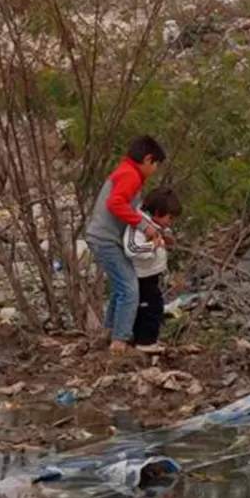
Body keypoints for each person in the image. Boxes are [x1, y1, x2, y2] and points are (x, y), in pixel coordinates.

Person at [84, 136, 165, 353]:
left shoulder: (125, 171)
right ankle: (119, 341)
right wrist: (144, 227)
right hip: (106, 240)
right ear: (148, 159)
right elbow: (116, 203)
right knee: (129, 288)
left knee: (121, 288)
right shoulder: (131, 175)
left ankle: (110, 332)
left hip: (105, 238)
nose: (155, 170)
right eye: (156, 164)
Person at [124, 188, 181, 349]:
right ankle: (145, 341)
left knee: (154, 306)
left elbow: (163, 230)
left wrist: (167, 237)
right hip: (142, 276)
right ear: (157, 212)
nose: (171, 222)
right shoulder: (138, 225)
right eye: (170, 218)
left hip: (152, 274)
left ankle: (147, 339)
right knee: (149, 308)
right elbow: (132, 248)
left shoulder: (156, 224)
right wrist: (152, 246)